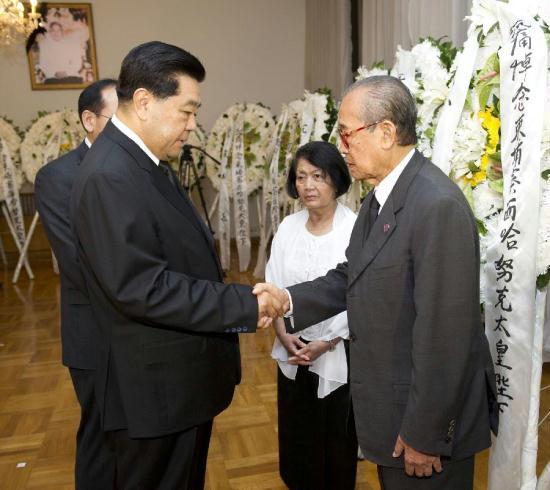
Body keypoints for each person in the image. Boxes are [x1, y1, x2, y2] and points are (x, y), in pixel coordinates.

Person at [254, 76, 498, 490]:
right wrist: (286, 299)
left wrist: (426, 434)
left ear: (386, 132)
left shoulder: (434, 205)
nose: (342, 147)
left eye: (347, 134)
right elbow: (353, 275)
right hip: (393, 411)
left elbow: (446, 333)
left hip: (423, 431)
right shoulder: (382, 197)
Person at [69, 41, 284, 489]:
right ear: (144, 102)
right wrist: (245, 303)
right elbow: (141, 288)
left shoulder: (141, 161)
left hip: (173, 386)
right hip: (154, 392)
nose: (191, 126)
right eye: (186, 111)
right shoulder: (111, 174)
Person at [34, 78, 118, 489]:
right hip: (93, 330)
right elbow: (75, 260)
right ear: (89, 119)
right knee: (99, 434)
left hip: (141, 328)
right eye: (115, 118)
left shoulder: (143, 170)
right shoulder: (57, 177)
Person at [266, 141, 358, 489]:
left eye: (318, 176)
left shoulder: (354, 228)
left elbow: (357, 294)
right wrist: (281, 332)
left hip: (338, 351)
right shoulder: (288, 226)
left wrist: (327, 341)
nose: (308, 185)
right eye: (301, 176)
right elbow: (273, 283)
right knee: (297, 433)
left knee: (335, 438)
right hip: (290, 346)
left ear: (336, 179)